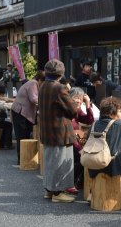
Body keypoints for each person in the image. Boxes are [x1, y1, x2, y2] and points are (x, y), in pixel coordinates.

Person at [87, 97, 121, 206]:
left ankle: (92, 193)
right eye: (119, 111)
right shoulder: (120, 124)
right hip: (111, 165)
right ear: (111, 114)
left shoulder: (93, 125)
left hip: (92, 162)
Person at [39, 59, 78, 203]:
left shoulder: (43, 86)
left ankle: (49, 190)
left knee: (50, 161)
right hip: (60, 131)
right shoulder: (60, 88)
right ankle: (57, 193)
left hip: (47, 130)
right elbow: (73, 110)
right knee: (60, 161)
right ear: (60, 75)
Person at [11, 70, 45, 165]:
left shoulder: (33, 83)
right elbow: (34, 99)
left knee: (26, 134)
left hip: (22, 112)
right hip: (20, 112)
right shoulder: (33, 83)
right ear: (40, 80)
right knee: (22, 136)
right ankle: (22, 159)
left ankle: (26, 158)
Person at [68, 87, 94, 194]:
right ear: (70, 98)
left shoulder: (77, 110)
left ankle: (81, 181)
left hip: (74, 141)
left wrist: (88, 105)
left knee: (88, 155)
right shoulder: (68, 111)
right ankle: (71, 182)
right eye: (76, 98)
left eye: (81, 99)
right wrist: (79, 149)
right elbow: (69, 133)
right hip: (67, 143)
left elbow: (89, 121)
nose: (79, 101)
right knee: (83, 157)